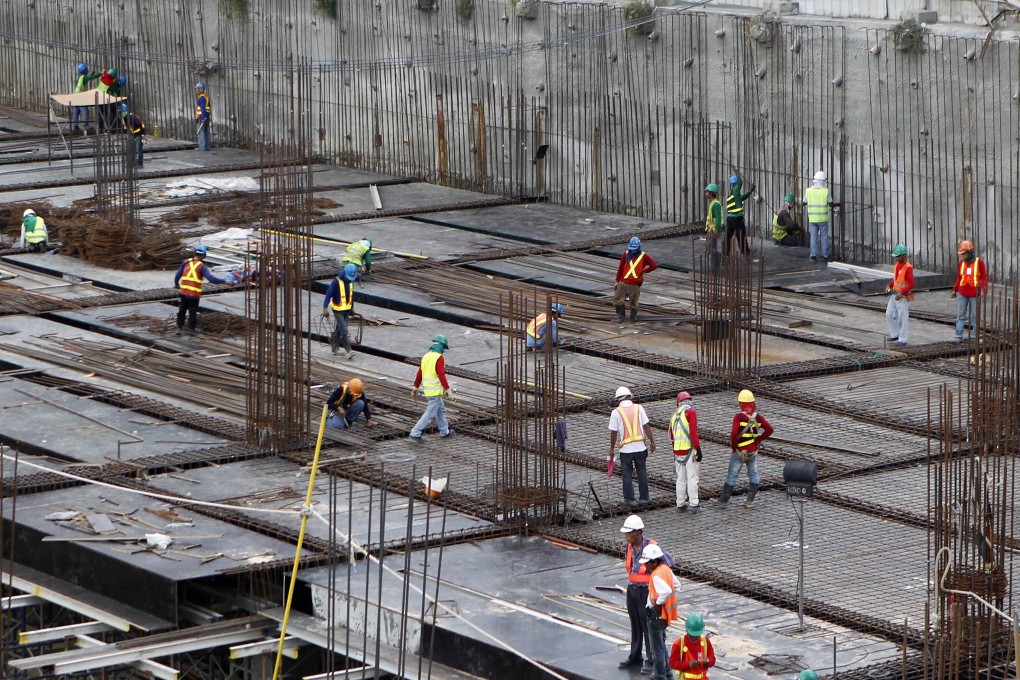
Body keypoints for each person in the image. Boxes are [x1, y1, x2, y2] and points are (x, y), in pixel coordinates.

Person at [619, 515, 675, 674]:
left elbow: (669, 562)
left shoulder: (652, 547)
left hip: (646, 591)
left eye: (629, 533)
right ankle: (635, 656)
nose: (626, 536)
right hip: (632, 590)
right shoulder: (629, 547)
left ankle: (652, 660)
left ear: (638, 532)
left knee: (648, 626)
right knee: (635, 624)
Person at [716, 389, 773, 508]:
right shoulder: (758, 418)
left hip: (740, 452)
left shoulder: (739, 417)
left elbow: (733, 435)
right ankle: (749, 501)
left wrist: (735, 447)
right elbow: (770, 430)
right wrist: (758, 440)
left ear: (741, 403)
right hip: (753, 452)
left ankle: (723, 501)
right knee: (753, 475)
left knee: (732, 476)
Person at [608, 386, 655, 507]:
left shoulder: (616, 412)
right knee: (642, 472)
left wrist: (612, 449)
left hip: (626, 450)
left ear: (618, 399)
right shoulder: (639, 408)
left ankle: (630, 500)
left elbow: (613, 433)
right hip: (640, 448)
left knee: (627, 474)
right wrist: (652, 442)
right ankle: (644, 498)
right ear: (629, 396)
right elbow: (646, 426)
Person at [640, 543, 679, 680]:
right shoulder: (666, 569)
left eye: (647, 563)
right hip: (663, 615)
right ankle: (667, 673)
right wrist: (665, 601)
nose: (645, 566)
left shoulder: (656, 575)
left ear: (654, 561)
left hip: (656, 615)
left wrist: (658, 602)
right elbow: (676, 586)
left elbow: (667, 591)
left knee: (657, 650)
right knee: (662, 645)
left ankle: (659, 676)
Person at [173, 245, 228, 335]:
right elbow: (211, 279)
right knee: (192, 312)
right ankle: (191, 329)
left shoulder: (186, 262)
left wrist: (176, 284)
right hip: (193, 294)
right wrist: (225, 281)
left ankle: (179, 327)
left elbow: (177, 275)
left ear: (195, 253)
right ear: (204, 256)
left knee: (182, 310)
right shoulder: (202, 266)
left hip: (184, 291)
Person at [410, 334, 454, 442]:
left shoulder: (426, 356)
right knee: (430, 413)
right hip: (434, 391)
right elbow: (441, 374)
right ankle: (415, 433)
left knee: (440, 410)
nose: (443, 350)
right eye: (444, 348)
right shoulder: (439, 357)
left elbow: (420, 373)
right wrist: (447, 389)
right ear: (441, 346)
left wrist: (415, 386)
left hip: (429, 390)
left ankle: (445, 432)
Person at [670, 391, 702, 513]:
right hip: (689, 450)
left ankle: (680, 503)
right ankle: (694, 504)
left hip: (678, 451)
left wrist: (675, 452)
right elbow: (693, 433)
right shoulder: (690, 412)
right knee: (692, 477)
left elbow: (672, 435)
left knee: (681, 478)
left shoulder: (674, 415)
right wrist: (698, 448)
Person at [614, 237, 658, 323]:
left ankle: (633, 318)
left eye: (634, 249)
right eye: (631, 249)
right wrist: (617, 280)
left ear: (638, 247)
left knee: (634, 302)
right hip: (623, 282)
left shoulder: (644, 256)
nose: (633, 251)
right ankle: (620, 317)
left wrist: (644, 271)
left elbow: (653, 265)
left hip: (635, 284)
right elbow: (620, 268)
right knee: (617, 300)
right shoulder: (625, 254)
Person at [951, 240, 988, 342]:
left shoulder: (979, 262)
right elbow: (959, 277)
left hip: (974, 293)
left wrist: (984, 290)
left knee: (975, 317)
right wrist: (955, 290)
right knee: (961, 315)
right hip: (963, 293)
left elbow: (984, 277)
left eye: (964, 254)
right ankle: (958, 336)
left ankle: (976, 336)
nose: (963, 256)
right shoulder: (961, 263)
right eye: (962, 254)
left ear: (970, 252)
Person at [321, 263, 359, 359]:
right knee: (344, 330)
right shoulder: (336, 282)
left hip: (346, 309)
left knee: (339, 329)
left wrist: (352, 308)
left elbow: (351, 295)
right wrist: (325, 308)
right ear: (345, 273)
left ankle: (334, 349)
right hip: (338, 310)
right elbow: (328, 295)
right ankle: (349, 351)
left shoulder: (350, 281)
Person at [669, 614, 716, 680]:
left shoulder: (705, 641)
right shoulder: (679, 643)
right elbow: (672, 663)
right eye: (692, 635)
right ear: (687, 631)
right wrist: (688, 664)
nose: (694, 638)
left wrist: (708, 661)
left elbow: (712, 659)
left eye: (697, 635)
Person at [805, 170, 837, 262]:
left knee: (813, 237)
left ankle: (813, 256)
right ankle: (825, 255)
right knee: (824, 237)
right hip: (823, 219)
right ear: (823, 181)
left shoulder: (808, 191)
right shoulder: (825, 191)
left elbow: (803, 202)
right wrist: (838, 204)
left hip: (812, 219)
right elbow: (831, 204)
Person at [885, 244, 913, 347]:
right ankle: (895, 334)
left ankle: (903, 339)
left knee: (902, 318)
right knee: (889, 314)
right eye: (896, 256)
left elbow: (911, 283)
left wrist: (902, 293)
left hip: (903, 296)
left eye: (898, 256)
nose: (896, 258)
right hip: (895, 293)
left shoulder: (908, 267)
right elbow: (896, 279)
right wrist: (890, 285)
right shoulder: (897, 265)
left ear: (904, 255)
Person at [724, 167, 755, 256]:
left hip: (730, 218)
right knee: (741, 235)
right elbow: (740, 182)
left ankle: (726, 252)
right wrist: (736, 170)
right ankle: (745, 251)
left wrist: (750, 191)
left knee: (727, 236)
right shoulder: (735, 190)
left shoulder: (732, 194)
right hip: (737, 218)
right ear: (735, 183)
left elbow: (742, 198)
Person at [71, 63, 100, 131]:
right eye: (87, 69)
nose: (88, 69)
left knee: (76, 111)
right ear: (84, 70)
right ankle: (86, 125)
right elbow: (90, 78)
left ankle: (75, 126)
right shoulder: (84, 77)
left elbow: (88, 78)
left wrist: (91, 74)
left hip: (76, 96)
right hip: (81, 97)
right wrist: (101, 73)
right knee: (85, 111)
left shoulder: (81, 78)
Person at [704, 184, 723, 272]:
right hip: (710, 230)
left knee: (712, 249)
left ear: (711, 193)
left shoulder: (715, 204)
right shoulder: (712, 203)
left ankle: (714, 268)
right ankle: (715, 266)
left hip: (713, 230)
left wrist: (716, 229)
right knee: (710, 248)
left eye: (707, 192)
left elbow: (718, 218)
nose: (705, 193)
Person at [195, 83, 212, 151]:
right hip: (207, 116)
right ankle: (207, 146)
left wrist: (203, 117)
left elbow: (203, 108)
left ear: (200, 89)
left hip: (202, 117)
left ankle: (202, 147)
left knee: (202, 132)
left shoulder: (201, 98)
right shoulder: (206, 97)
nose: (196, 90)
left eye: (197, 89)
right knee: (206, 131)